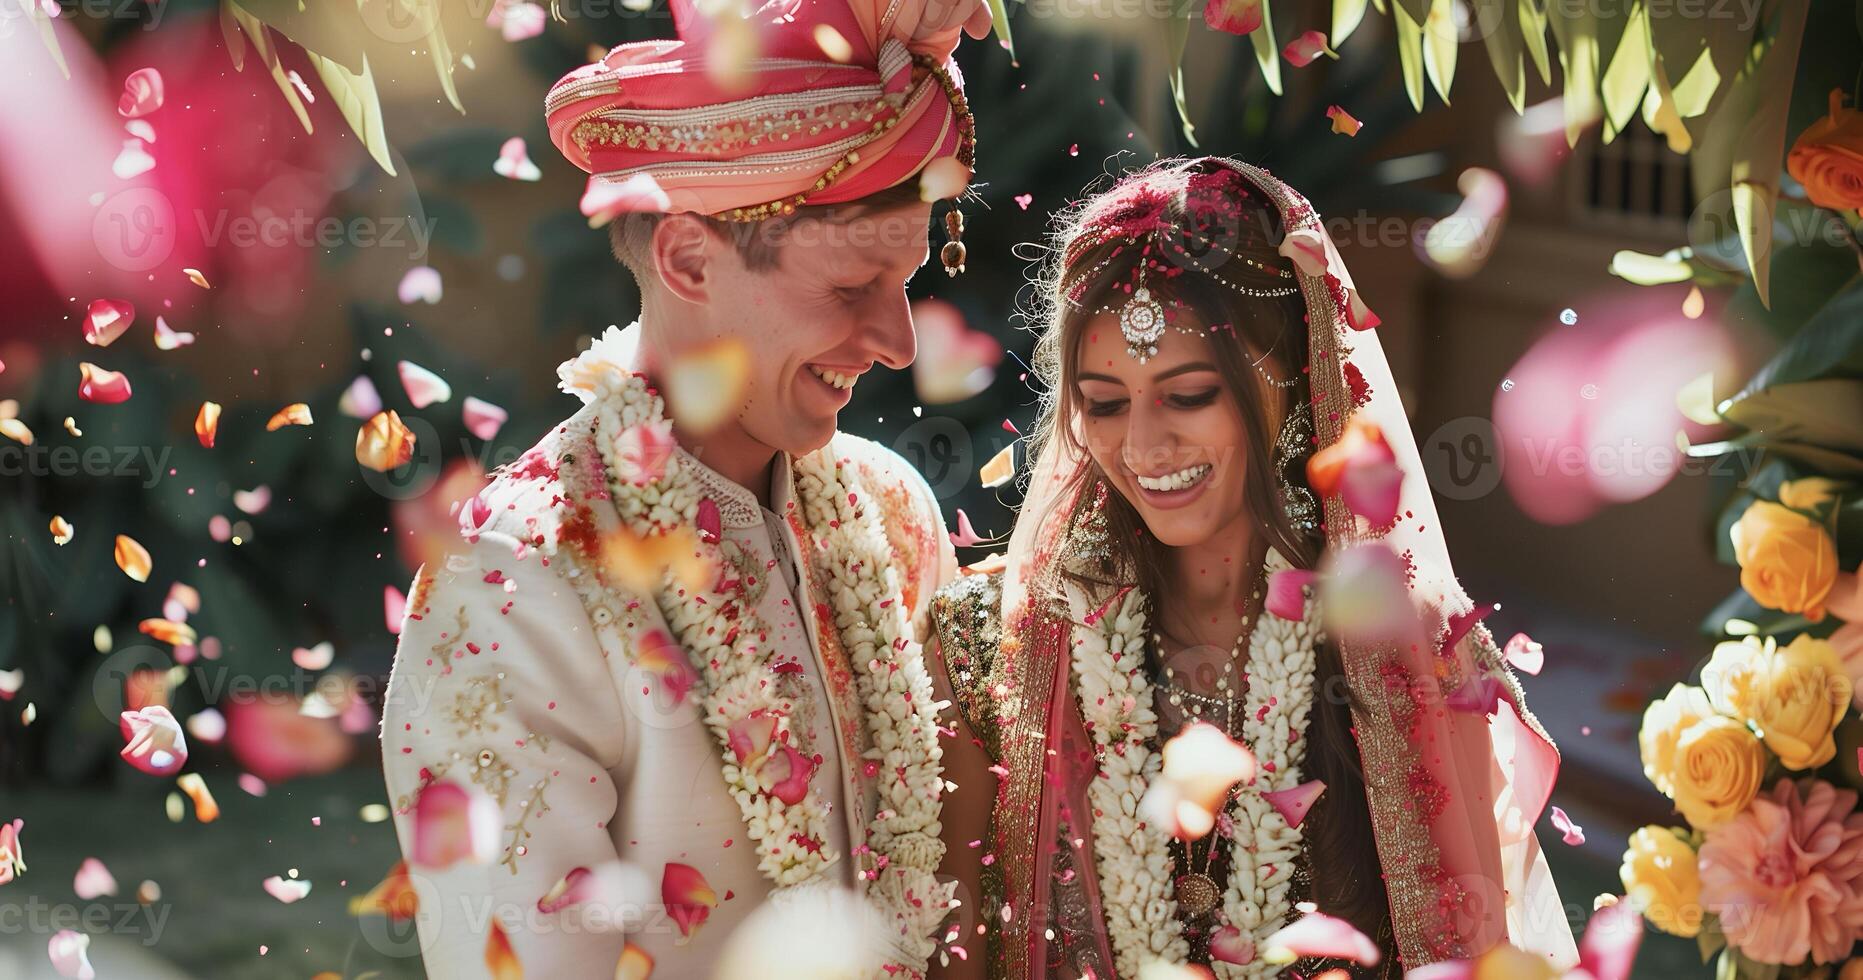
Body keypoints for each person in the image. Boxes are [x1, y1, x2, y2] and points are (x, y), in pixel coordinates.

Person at [378, 0, 993, 974]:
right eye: (848, 288)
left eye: (908, 278)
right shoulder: (518, 577)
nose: (898, 341)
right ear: (689, 257)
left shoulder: (889, 509)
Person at [930, 158, 1580, 978]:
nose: (1141, 447)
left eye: (1190, 393)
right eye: (1102, 402)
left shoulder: (1396, 651)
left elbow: (1466, 952)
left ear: (1294, 381)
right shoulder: (987, 650)